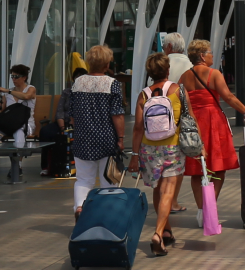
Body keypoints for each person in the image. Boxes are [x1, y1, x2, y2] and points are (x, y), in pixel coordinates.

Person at [129, 53, 185, 255]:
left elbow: (137, 127)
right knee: (168, 191)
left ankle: (167, 230)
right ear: (168, 70)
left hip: (148, 148)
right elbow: (190, 118)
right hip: (172, 146)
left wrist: (134, 155)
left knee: (156, 189)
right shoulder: (178, 90)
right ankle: (158, 234)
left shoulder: (143, 95)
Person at [181, 38, 245, 197]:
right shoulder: (214, 74)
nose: (213, 56)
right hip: (213, 122)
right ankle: (210, 205)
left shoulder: (184, 77)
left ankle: (201, 210)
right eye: (211, 53)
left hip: (193, 124)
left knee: (197, 171)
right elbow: (228, 97)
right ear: (202, 56)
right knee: (218, 168)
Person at [65, 44, 125, 214]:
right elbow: (117, 114)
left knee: (84, 180)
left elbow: (73, 115)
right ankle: (107, 216)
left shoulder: (78, 83)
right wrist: (120, 138)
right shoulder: (112, 84)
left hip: (83, 139)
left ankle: (80, 207)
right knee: (109, 181)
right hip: (107, 139)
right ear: (107, 65)